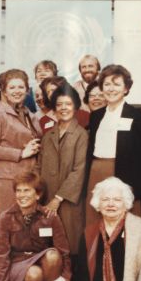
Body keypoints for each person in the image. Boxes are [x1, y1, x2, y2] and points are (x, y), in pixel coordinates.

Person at [0, 171, 71, 281]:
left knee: (53, 255)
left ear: (38, 195)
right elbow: (1, 256)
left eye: (27, 190)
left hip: (41, 261)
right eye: (18, 190)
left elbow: (64, 252)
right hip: (18, 264)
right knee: (34, 274)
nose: (21, 195)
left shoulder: (50, 217)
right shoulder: (6, 217)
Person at [85, 64, 141, 227]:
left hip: (125, 176)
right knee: (95, 221)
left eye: (116, 84)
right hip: (96, 173)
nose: (111, 89)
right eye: (107, 84)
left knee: (125, 223)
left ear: (126, 88)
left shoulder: (138, 116)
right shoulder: (96, 116)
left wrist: (137, 188)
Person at [0, 69, 42, 221]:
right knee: (9, 222)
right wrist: (21, 153)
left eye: (21, 87)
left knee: (27, 222)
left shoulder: (29, 114)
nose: (17, 91)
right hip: (7, 178)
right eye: (12, 87)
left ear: (27, 89)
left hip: (28, 176)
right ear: (4, 91)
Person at [38, 84, 88, 255]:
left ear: (75, 106)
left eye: (68, 104)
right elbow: (39, 166)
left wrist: (58, 198)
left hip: (67, 200)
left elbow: (79, 170)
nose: (63, 108)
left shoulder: (81, 135)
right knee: (46, 241)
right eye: (59, 104)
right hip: (46, 198)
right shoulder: (48, 135)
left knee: (70, 241)